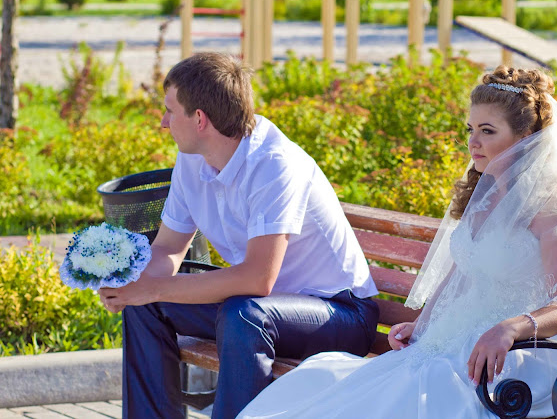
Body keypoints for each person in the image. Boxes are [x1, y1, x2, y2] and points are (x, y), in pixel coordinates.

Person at [238, 66, 557, 418]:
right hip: (464, 341)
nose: (473, 142)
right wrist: (422, 326)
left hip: (526, 356)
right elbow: (462, 273)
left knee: (404, 393)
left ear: (526, 138)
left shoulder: (555, 211)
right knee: (330, 385)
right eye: (471, 129)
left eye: (487, 131)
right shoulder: (487, 198)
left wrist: (509, 328)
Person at [97, 52, 380, 419]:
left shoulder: (274, 164)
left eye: (169, 111)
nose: (163, 122)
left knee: (243, 313)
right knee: (147, 305)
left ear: (200, 119)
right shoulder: (192, 159)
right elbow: (168, 248)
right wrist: (132, 287)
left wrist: (154, 288)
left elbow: (257, 279)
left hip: (339, 313)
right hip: (261, 310)